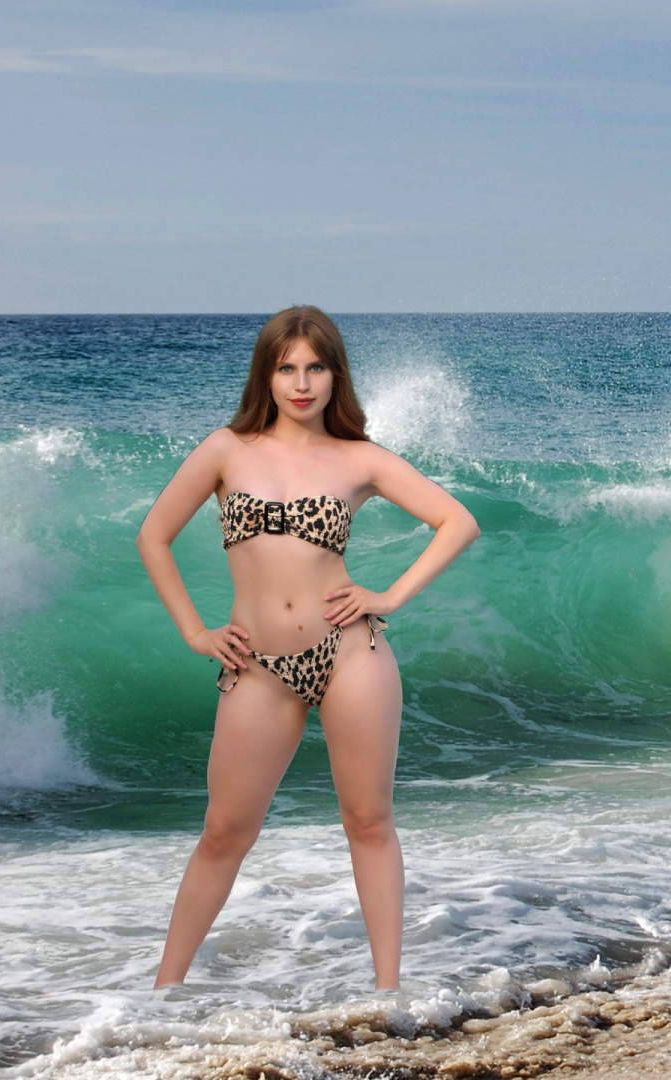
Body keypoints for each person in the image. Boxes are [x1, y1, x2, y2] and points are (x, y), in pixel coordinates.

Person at [135, 306, 479, 989]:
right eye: (287, 367)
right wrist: (196, 632)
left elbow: (457, 521)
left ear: (334, 375)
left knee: (369, 820)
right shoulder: (226, 450)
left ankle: (388, 992)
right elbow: (153, 536)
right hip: (257, 667)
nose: (301, 383)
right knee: (224, 833)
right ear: (266, 374)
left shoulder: (360, 459)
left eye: (315, 367)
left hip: (350, 655)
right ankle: (162, 993)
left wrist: (390, 595)